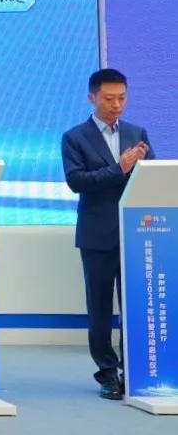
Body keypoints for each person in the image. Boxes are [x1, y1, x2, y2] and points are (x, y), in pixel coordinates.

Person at [61, 68, 153, 400]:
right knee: (100, 309)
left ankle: (135, 369)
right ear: (92, 97)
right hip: (97, 236)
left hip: (136, 234)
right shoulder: (74, 137)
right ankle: (107, 374)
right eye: (109, 99)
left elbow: (150, 177)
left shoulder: (136, 132)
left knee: (136, 306)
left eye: (122, 98)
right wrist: (118, 169)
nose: (116, 105)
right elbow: (77, 182)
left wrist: (138, 169)